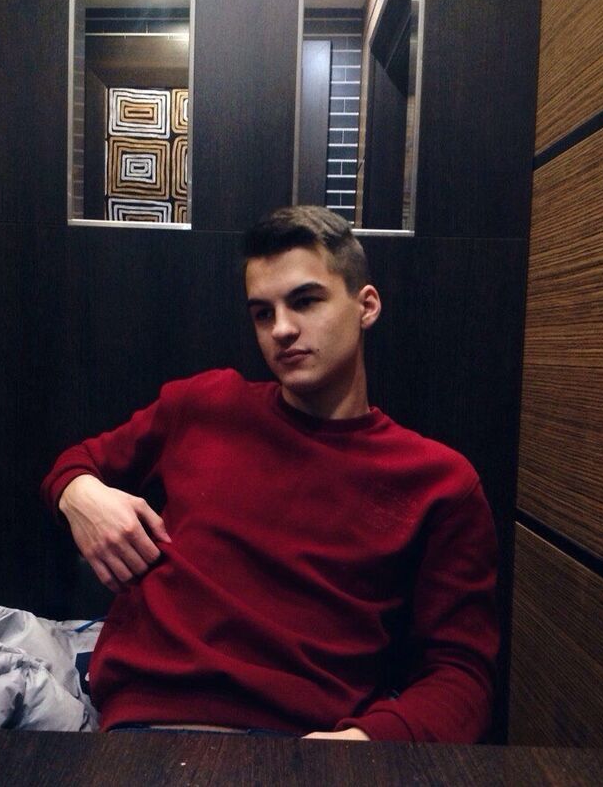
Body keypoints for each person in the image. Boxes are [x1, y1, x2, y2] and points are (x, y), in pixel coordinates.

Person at [41, 205, 498, 742]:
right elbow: (75, 463)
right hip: (143, 726)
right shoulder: (204, 404)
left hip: (303, 744)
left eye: (305, 301)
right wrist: (79, 493)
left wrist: (365, 743)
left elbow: (462, 675)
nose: (281, 329)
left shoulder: (438, 481)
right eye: (263, 313)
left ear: (366, 305)